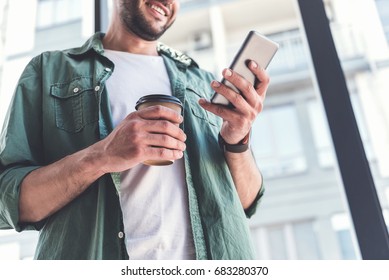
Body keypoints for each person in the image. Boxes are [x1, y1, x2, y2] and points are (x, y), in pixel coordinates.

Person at [0, 0, 269, 260]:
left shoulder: (205, 85)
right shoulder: (49, 71)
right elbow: (6, 199)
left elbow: (247, 202)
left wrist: (236, 142)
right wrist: (101, 155)